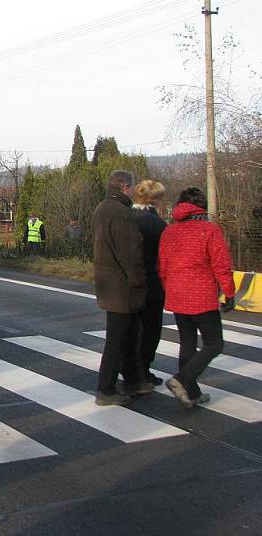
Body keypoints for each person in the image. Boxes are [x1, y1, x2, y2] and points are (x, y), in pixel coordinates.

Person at [158, 187, 236, 408]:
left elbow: (162, 267)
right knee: (214, 343)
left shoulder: (169, 231)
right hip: (201, 295)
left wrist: (169, 288)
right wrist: (228, 292)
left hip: (177, 294)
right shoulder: (209, 230)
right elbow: (221, 265)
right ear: (201, 206)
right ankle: (181, 380)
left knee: (188, 342)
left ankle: (190, 393)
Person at [92, 170, 150, 406]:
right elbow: (130, 252)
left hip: (106, 281)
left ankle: (133, 381)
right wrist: (138, 281)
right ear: (126, 187)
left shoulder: (102, 208)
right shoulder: (122, 212)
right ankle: (106, 389)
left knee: (126, 335)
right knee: (118, 339)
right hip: (122, 285)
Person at [131, 180, 167, 386]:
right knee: (150, 330)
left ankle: (130, 369)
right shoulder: (157, 224)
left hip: (127, 283)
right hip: (151, 284)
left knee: (132, 329)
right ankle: (143, 369)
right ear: (155, 200)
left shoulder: (127, 217)